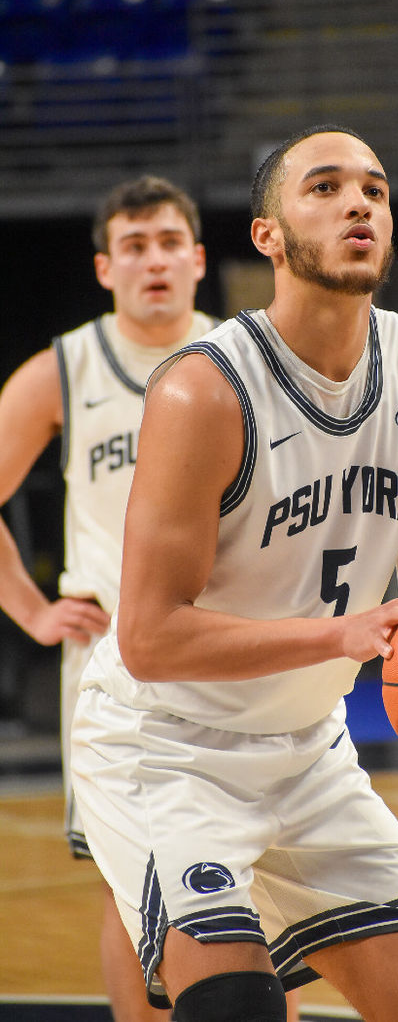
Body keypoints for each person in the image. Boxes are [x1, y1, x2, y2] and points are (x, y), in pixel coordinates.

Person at [71, 126, 398, 1022]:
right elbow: (147, 640)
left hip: (307, 749)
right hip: (166, 748)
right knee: (237, 1007)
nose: (358, 205)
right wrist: (340, 635)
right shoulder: (204, 390)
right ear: (269, 235)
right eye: (327, 187)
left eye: (374, 190)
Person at [0, 175, 217, 1022]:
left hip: (221, 649)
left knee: (259, 875)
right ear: (104, 268)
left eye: (169, 243)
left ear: (199, 260)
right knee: (132, 882)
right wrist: (30, 611)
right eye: (134, 247)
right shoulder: (67, 366)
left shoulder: (243, 354)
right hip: (114, 668)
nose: (153, 261)